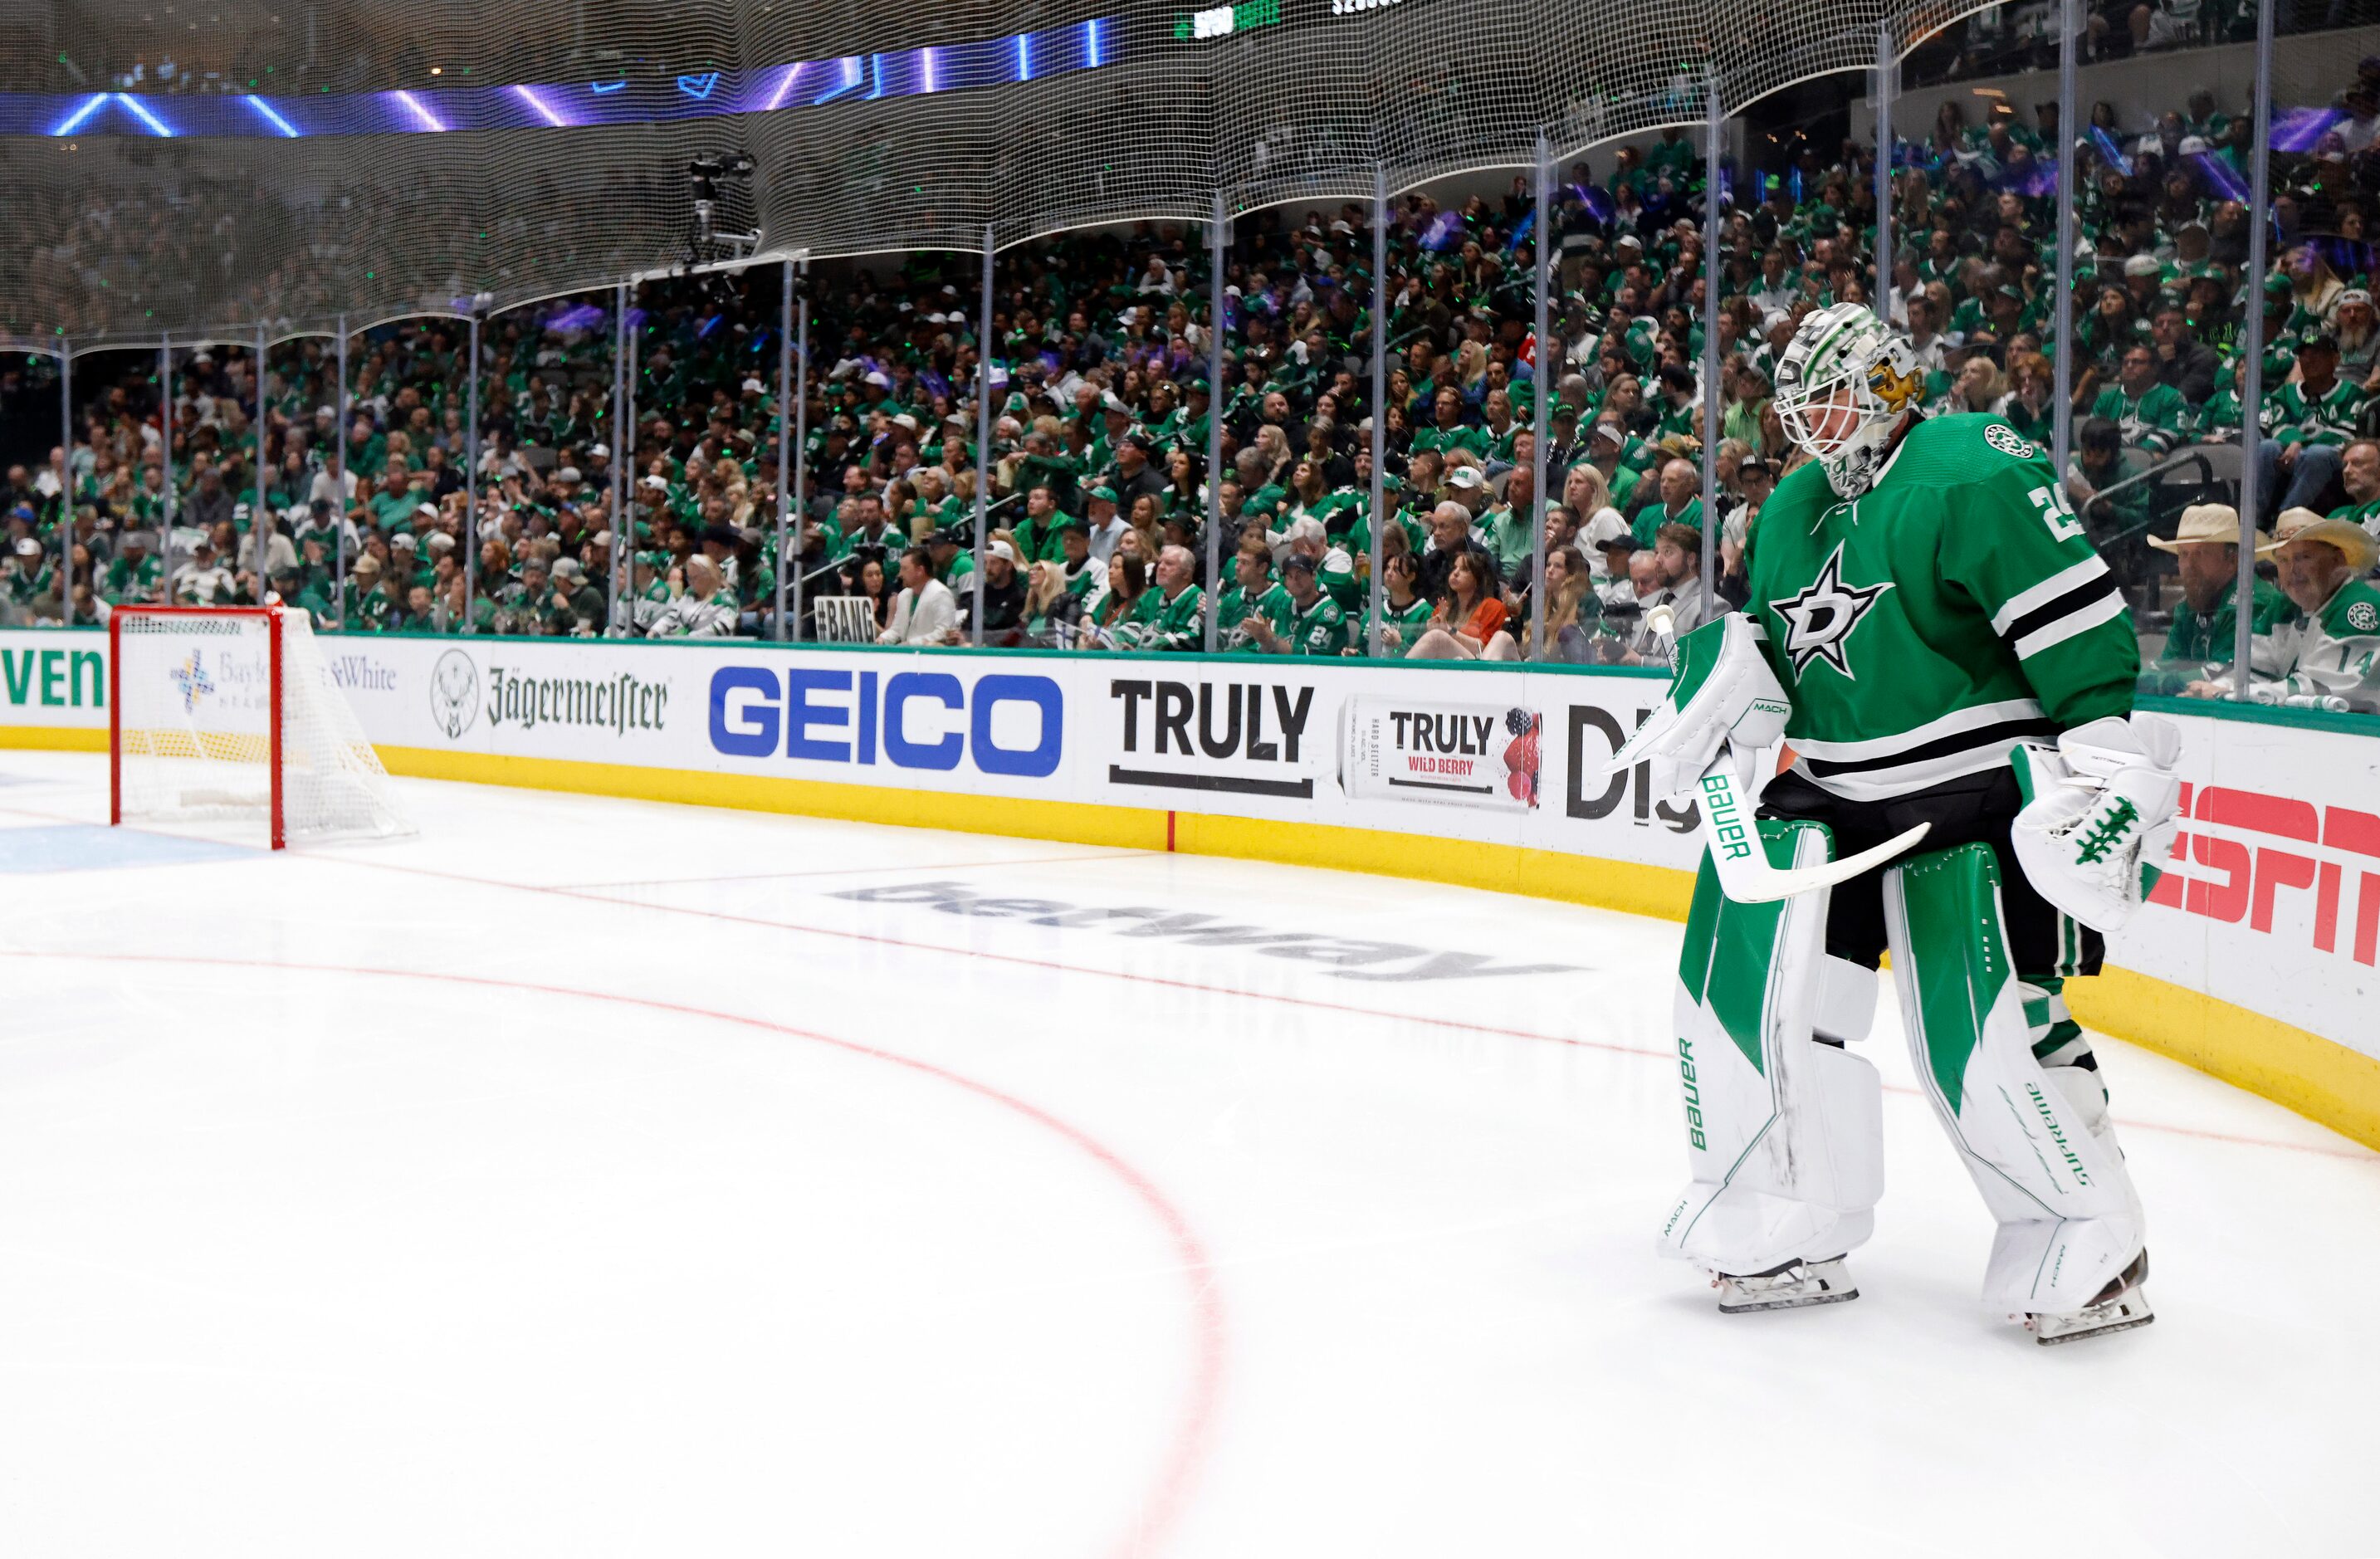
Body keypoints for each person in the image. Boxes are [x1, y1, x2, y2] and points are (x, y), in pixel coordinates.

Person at [1612, 302, 2175, 1342]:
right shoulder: (1786, 508)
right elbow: (1773, 647)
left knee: (1981, 1014)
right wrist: (1718, 678)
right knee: (1747, 988)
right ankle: (1789, 1209)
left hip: (1969, 780)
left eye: (1831, 398)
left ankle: (2085, 1227)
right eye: (1797, 407)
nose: (1811, 424)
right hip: (1828, 783)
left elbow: (2070, 621)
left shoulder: (1969, 465)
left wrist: (2103, 754)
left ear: (1890, 390)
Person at [2201, 508, 2380, 709]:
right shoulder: (2284, 606)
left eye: (2303, 558)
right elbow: (2253, 669)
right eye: (2283, 560)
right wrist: (2215, 687)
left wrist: (2234, 693)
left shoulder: (2360, 607)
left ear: (2337, 560)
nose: (2292, 571)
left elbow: (2319, 688)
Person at [2143, 503, 2290, 697]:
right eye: (2183, 554)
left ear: (2232, 560)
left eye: (2201, 553)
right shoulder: (2187, 608)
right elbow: (2163, 666)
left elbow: (2227, 674)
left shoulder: (2252, 603)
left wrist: (2163, 682)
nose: (2189, 565)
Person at [1405, 549, 1514, 660]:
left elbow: (1486, 649)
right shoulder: (1443, 607)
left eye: (1464, 569)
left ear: (1478, 579)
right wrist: (1430, 630)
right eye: (1454, 568)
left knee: (1437, 637)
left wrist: (1450, 631)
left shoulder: (1492, 606)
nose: (1455, 573)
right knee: (1435, 636)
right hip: (1447, 667)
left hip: (1478, 665)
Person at [1245, 551, 1350, 656]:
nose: (1295, 580)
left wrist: (1271, 640)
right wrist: (1264, 641)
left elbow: (1308, 658)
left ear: (1313, 575)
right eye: (1290, 576)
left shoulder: (1329, 614)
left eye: (1300, 574)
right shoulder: (1286, 605)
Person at [877, 545, 960, 645]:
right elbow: (897, 630)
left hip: (930, 656)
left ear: (920, 571)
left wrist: (911, 643)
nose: (900, 574)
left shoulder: (941, 594)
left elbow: (943, 633)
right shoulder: (904, 595)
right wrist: (883, 638)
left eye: (905, 569)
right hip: (907, 655)